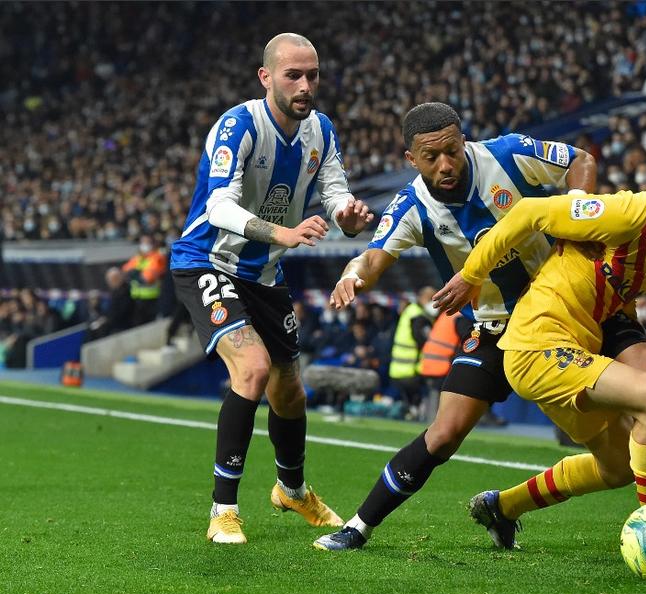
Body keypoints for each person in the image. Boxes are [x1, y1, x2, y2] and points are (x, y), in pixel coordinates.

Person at [315, 108, 646, 554]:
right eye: (432, 157)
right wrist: (352, 274)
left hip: (576, 303)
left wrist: (577, 210)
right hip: (503, 326)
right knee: (445, 433)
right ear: (412, 159)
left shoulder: (506, 156)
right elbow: (372, 259)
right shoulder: (412, 207)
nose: (446, 164)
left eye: (452, 150)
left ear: (463, 139)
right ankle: (358, 526)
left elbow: (579, 160)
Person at [433, 129, 646, 549]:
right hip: (538, 344)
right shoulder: (622, 213)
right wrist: (472, 273)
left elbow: (619, 294)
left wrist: (632, 339)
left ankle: (502, 507)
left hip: (578, 347)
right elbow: (528, 212)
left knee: (620, 466)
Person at [169, 33, 373, 544]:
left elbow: (334, 193)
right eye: (293, 75)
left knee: (289, 388)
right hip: (208, 262)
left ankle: (291, 489)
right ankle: (222, 511)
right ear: (266, 77)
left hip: (264, 275)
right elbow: (217, 206)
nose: (306, 86)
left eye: (313, 75)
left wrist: (348, 215)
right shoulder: (238, 125)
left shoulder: (320, 130)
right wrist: (282, 232)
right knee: (254, 369)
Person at [389, 286, 437, 421]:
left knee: (409, 405)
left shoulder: (410, 311)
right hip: (411, 369)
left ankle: (411, 412)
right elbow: (423, 340)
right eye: (431, 299)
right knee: (416, 405)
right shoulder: (418, 316)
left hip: (398, 368)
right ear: (422, 298)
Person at [122, 233, 167, 327]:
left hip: (151, 299)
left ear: (153, 244)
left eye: (147, 242)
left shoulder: (157, 257)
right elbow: (125, 271)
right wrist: (137, 273)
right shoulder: (137, 258)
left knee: (149, 327)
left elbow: (147, 278)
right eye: (142, 242)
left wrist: (135, 273)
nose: (144, 245)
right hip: (136, 299)